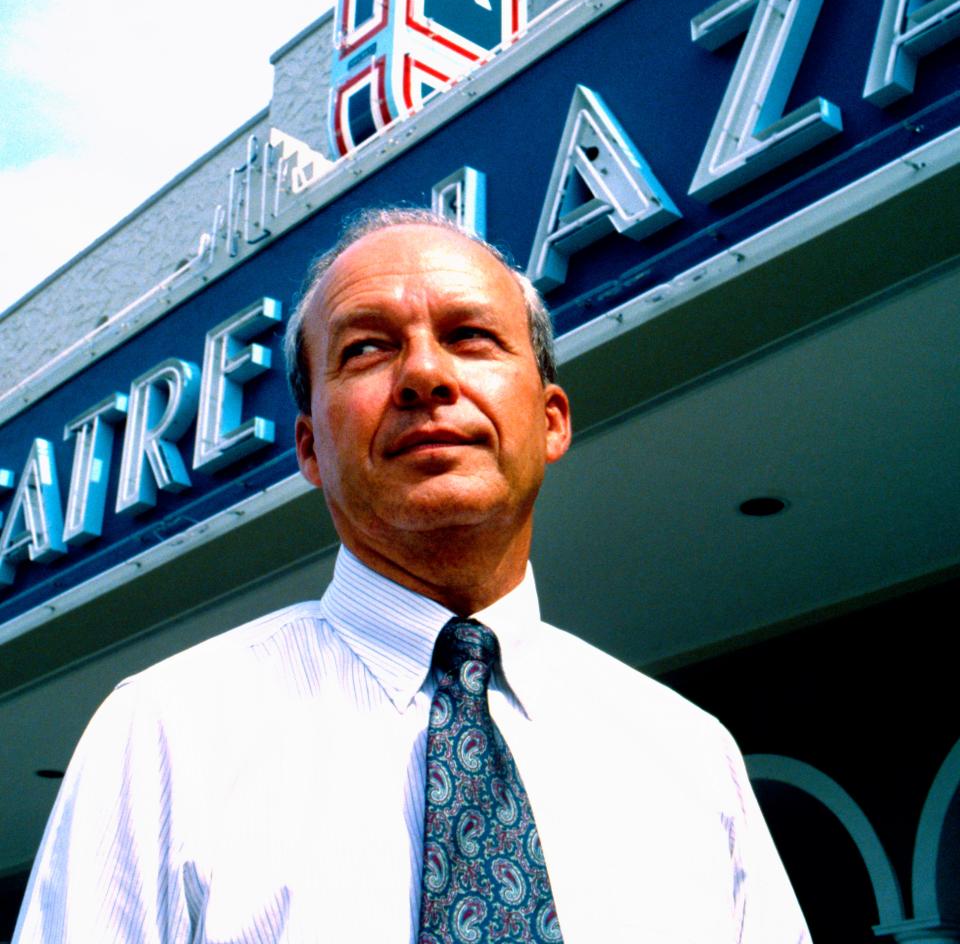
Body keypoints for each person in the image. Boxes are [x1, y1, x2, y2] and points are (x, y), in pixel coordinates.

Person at [15, 207, 810, 943]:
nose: (425, 377)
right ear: (307, 449)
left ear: (552, 419)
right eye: (366, 348)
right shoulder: (165, 735)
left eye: (470, 336)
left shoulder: (690, 757)